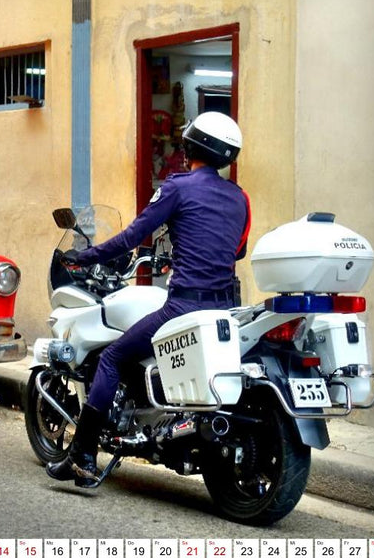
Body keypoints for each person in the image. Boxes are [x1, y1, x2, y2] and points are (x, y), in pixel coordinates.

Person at [47, 111, 251, 487]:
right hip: (225, 310)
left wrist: (84, 255)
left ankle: (84, 455)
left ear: (190, 148)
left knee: (111, 358)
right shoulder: (240, 198)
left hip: (184, 307)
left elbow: (133, 236)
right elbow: (236, 250)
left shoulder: (177, 187)